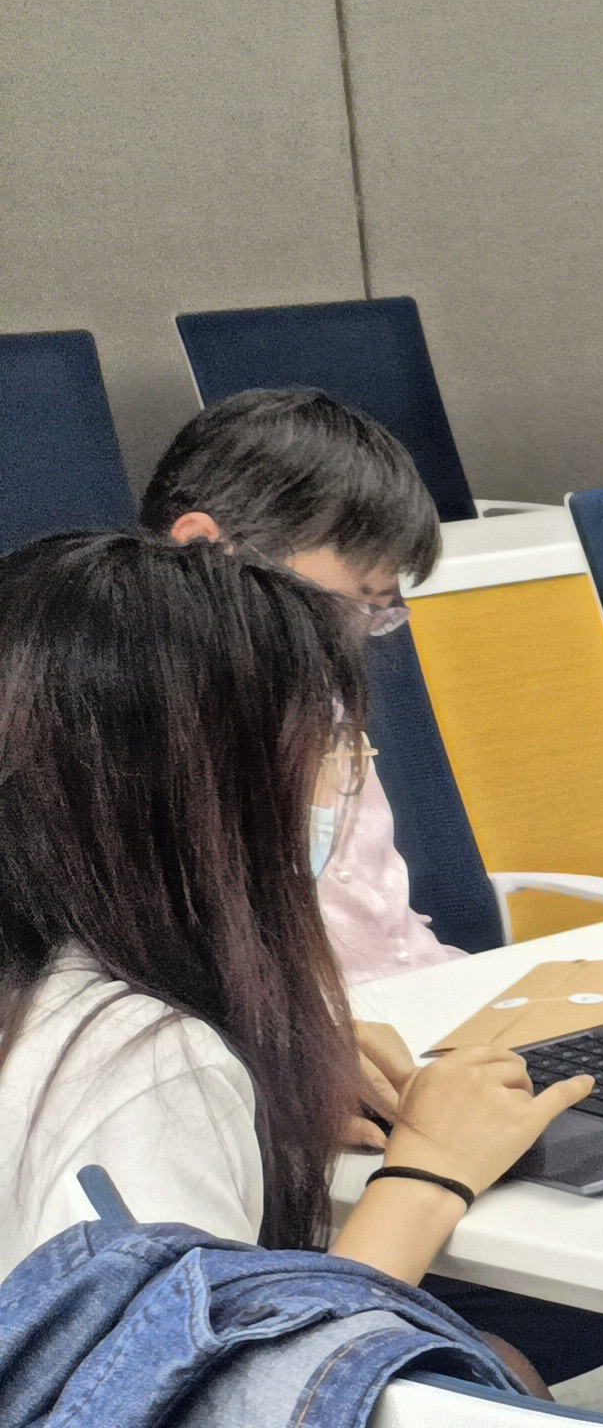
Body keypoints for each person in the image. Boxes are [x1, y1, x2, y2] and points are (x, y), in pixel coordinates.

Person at [0, 532, 592, 1272]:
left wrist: (268, 1076)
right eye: (320, 749)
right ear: (207, 795)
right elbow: (210, 1348)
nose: (334, 786)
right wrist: (431, 1170)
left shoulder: (43, 995)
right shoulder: (143, 1066)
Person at [134, 390, 454, 984]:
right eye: (341, 605)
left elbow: (387, 922)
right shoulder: (126, 733)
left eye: (375, 612)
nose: (347, 641)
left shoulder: (320, 699)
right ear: (204, 547)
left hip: (419, 997)